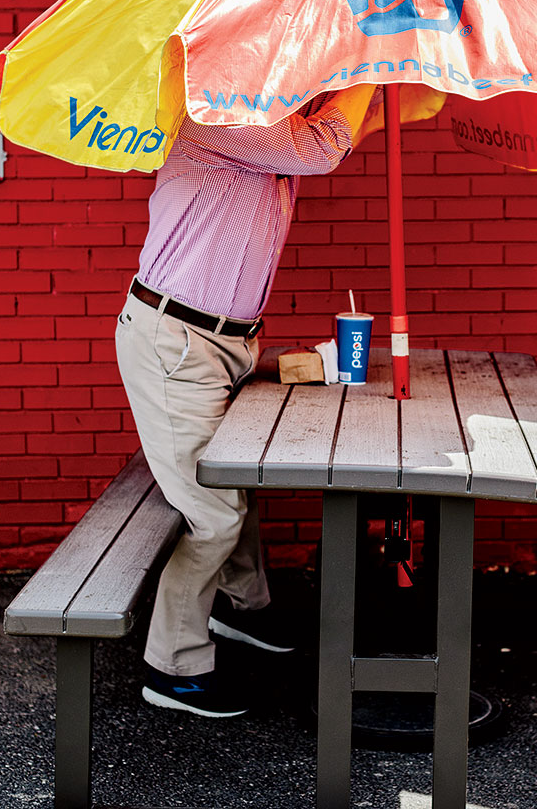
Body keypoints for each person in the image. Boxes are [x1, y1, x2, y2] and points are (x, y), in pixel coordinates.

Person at [115, 84, 374, 718]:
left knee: (235, 485)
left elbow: (321, 138)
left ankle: (243, 608)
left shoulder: (271, 124)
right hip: (177, 341)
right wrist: (369, 71)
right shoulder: (217, 105)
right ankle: (171, 666)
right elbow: (322, 149)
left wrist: (341, 92)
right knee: (213, 513)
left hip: (225, 340)